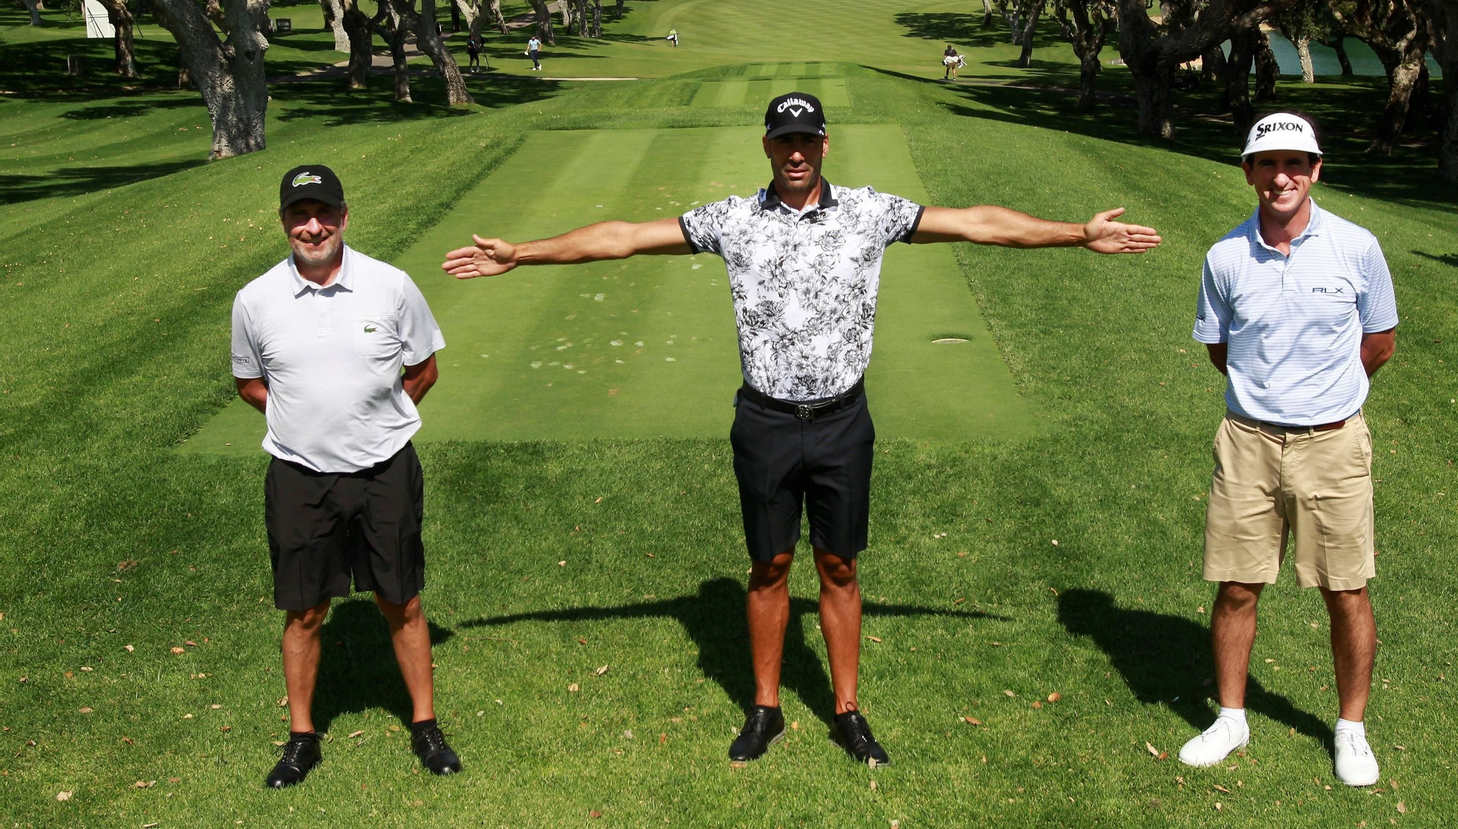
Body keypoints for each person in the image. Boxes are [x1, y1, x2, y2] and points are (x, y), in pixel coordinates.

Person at [441, 92, 1161, 767]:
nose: (795, 152)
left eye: (806, 140)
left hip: (843, 420)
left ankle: (847, 709)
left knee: (839, 565)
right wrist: (521, 252)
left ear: (823, 144)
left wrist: (1077, 234)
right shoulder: (731, 220)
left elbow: (977, 222)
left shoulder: (870, 212)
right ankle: (766, 707)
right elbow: (625, 237)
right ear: (766, 146)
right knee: (770, 565)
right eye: (784, 141)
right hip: (765, 421)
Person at [1182, 113, 1397, 788]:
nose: (1283, 176)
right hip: (1247, 442)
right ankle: (1231, 717)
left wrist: (1323, 399)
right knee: (1236, 585)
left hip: (1333, 443)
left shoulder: (1357, 246)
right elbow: (1223, 349)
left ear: (1316, 170)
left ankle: (1351, 728)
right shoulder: (1224, 257)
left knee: (1346, 589)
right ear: (1248, 171)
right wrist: (1271, 398)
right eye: (1269, 163)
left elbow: (1379, 342)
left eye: (1296, 163)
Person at [232, 165, 461, 789]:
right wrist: (304, 422)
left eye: (324, 213)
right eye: (299, 215)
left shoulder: (390, 285)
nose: (313, 227)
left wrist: (376, 423)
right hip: (300, 475)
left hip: (385, 468)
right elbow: (249, 383)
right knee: (305, 611)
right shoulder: (254, 300)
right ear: (284, 221)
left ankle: (425, 725)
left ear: (344, 216)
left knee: (402, 601)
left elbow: (424, 369)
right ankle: (301, 737)